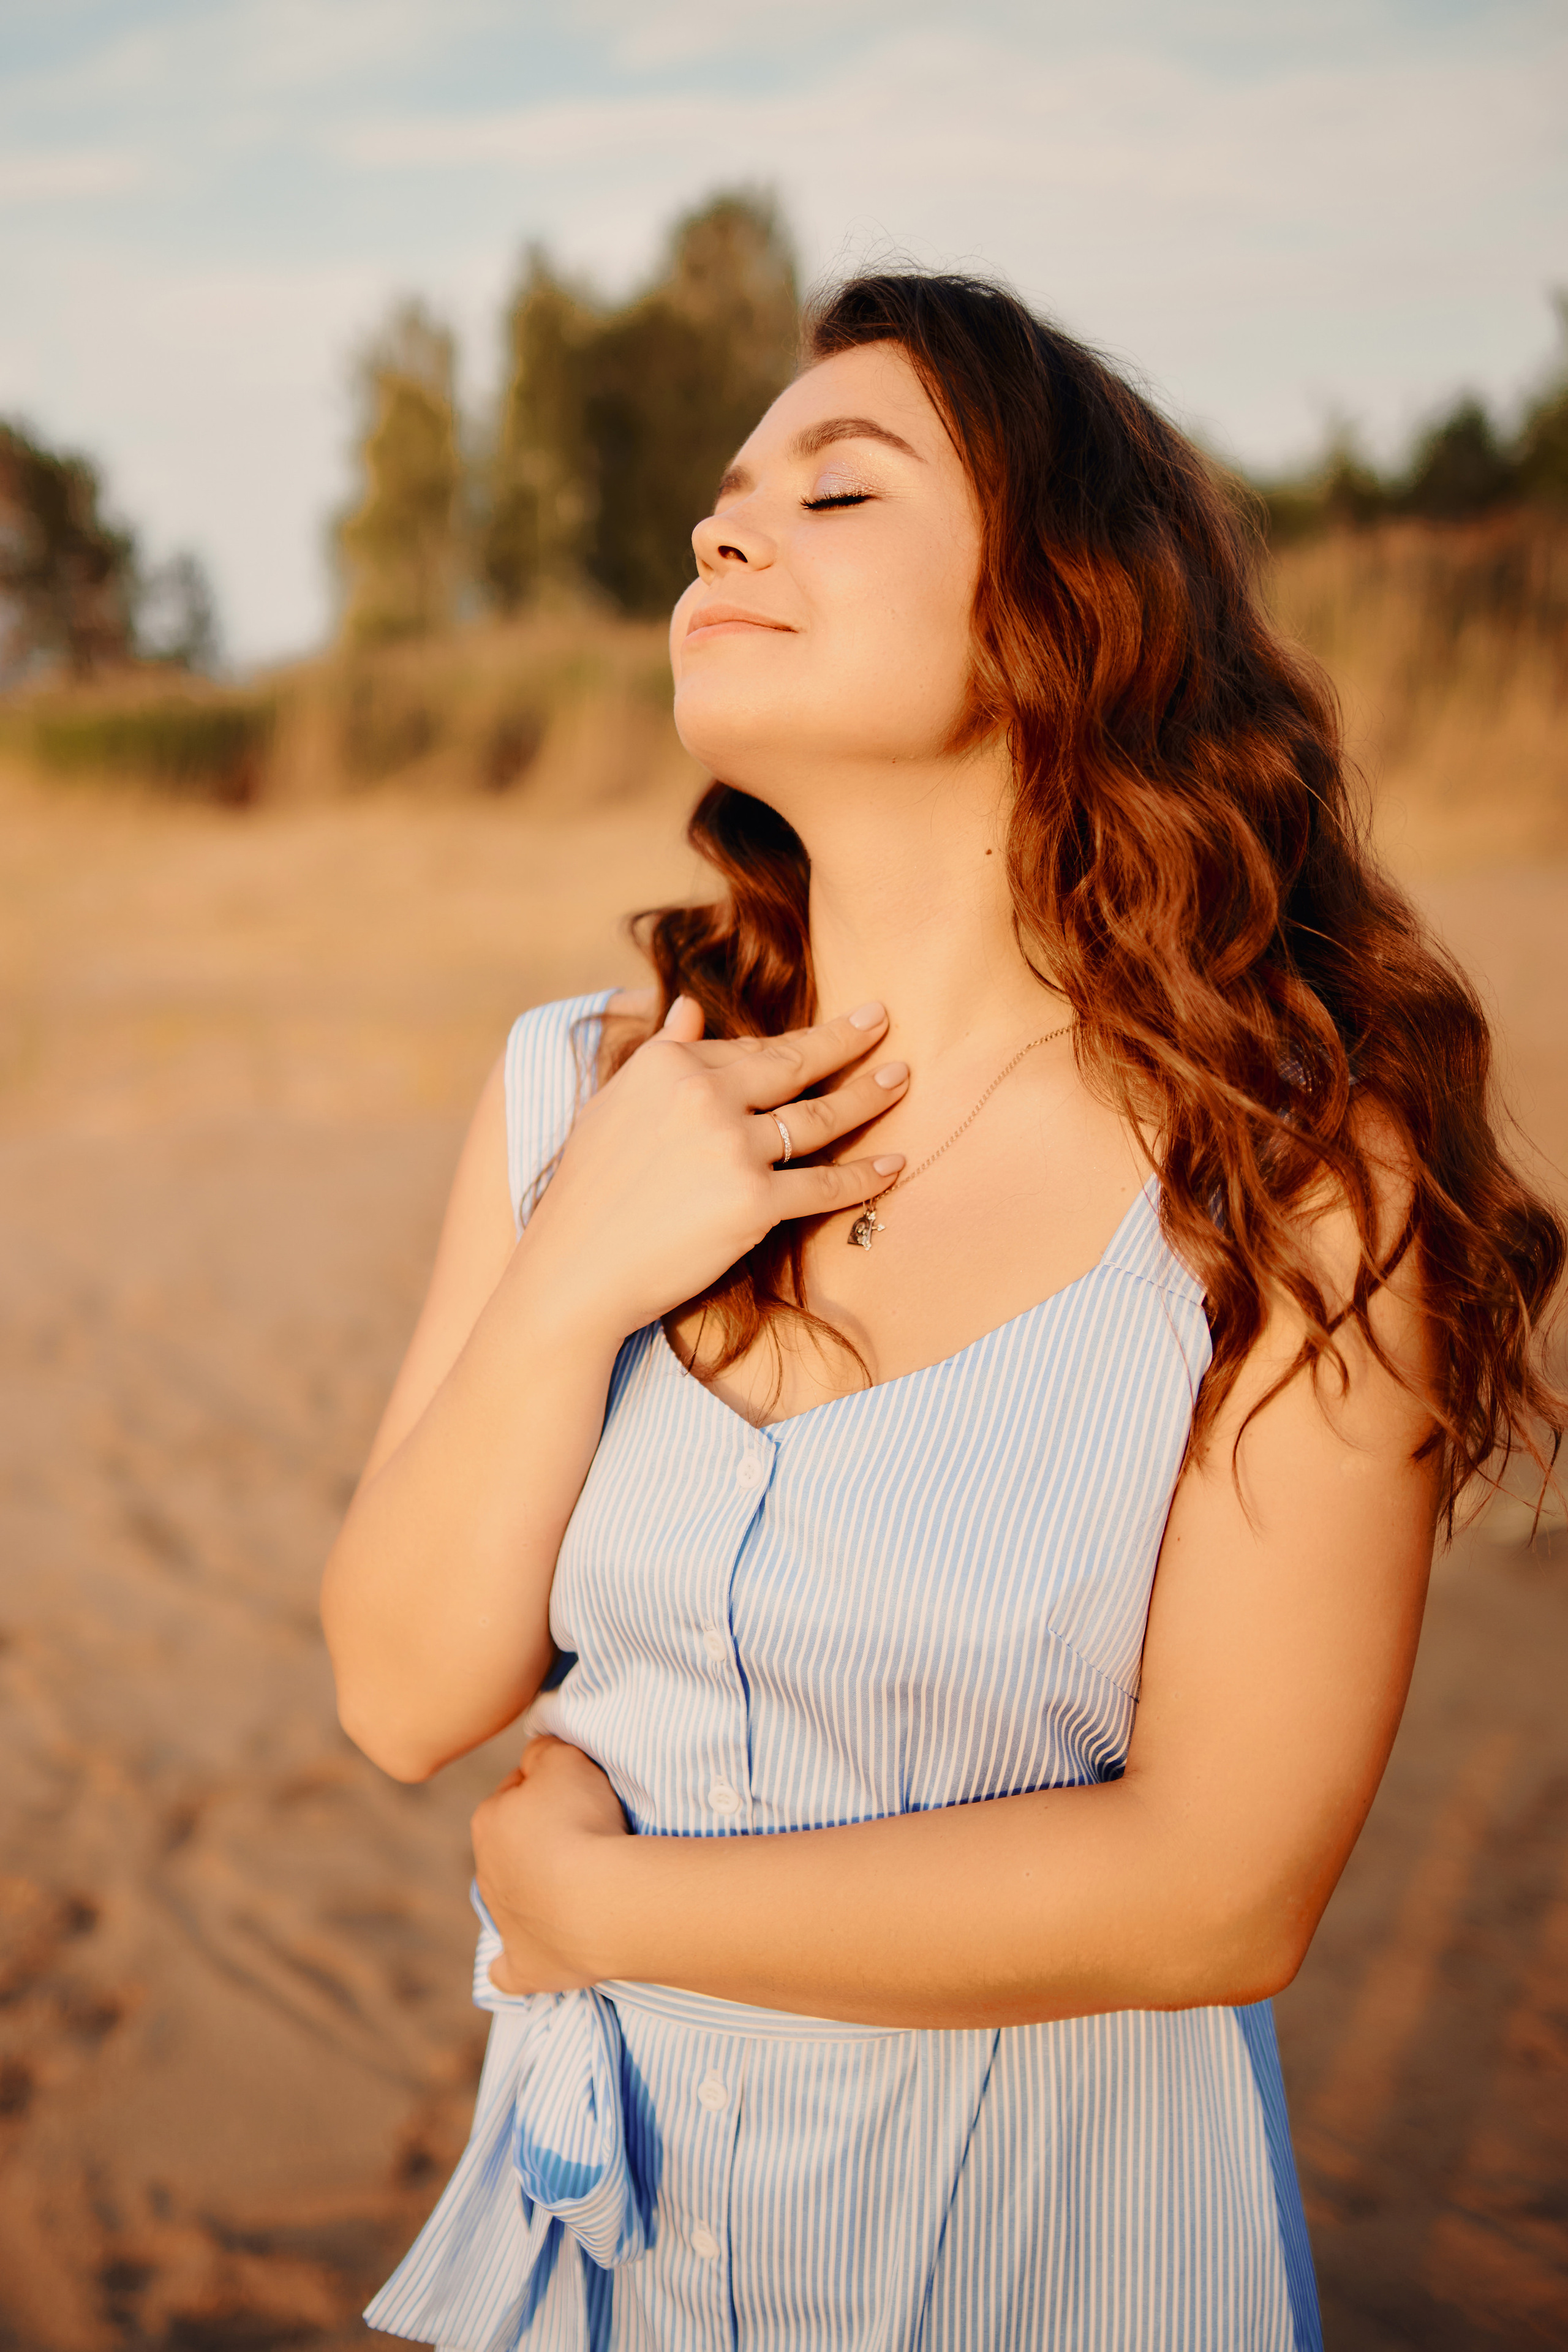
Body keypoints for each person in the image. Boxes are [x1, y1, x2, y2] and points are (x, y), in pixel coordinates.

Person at [323, 273, 1564, 2351]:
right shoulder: (574, 1090)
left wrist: (602, 1910)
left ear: (1059, 610)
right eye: (728, 500)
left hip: (1059, 2265)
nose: (726, 533)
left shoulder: (1284, 1178)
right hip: (601, 2265)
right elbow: (400, 1689)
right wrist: (576, 1266)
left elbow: (1219, 1892)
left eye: (839, 488)